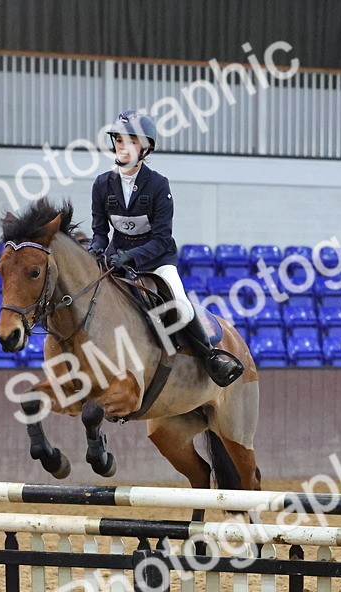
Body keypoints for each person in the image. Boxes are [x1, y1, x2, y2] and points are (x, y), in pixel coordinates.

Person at [88, 109, 243, 386]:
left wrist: (130, 257)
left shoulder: (158, 184)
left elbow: (161, 239)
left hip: (156, 259)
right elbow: (100, 233)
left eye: (131, 141)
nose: (123, 147)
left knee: (181, 305)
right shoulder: (102, 184)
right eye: (119, 140)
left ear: (145, 148)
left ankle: (210, 357)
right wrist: (95, 250)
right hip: (117, 257)